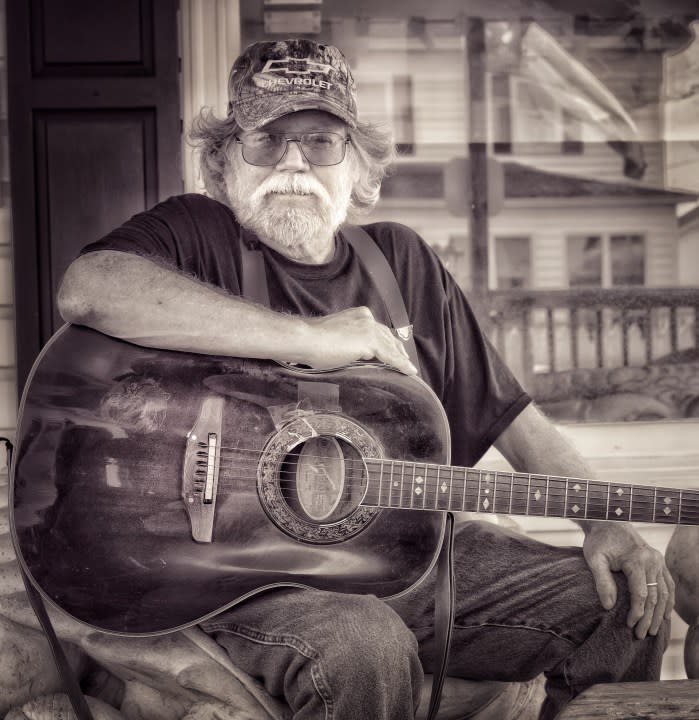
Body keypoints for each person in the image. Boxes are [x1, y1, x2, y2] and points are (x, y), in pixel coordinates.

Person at [57, 39, 673, 720]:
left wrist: (601, 521)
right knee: (363, 644)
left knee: (625, 599)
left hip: (413, 562)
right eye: (266, 141)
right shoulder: (194, 234)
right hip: (245, 578)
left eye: (320, 142)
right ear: (220, 162)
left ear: (362, 171)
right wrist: (309, 338)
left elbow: (519, 423)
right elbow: (90, 289)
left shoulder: (401, 262)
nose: (293, 163)